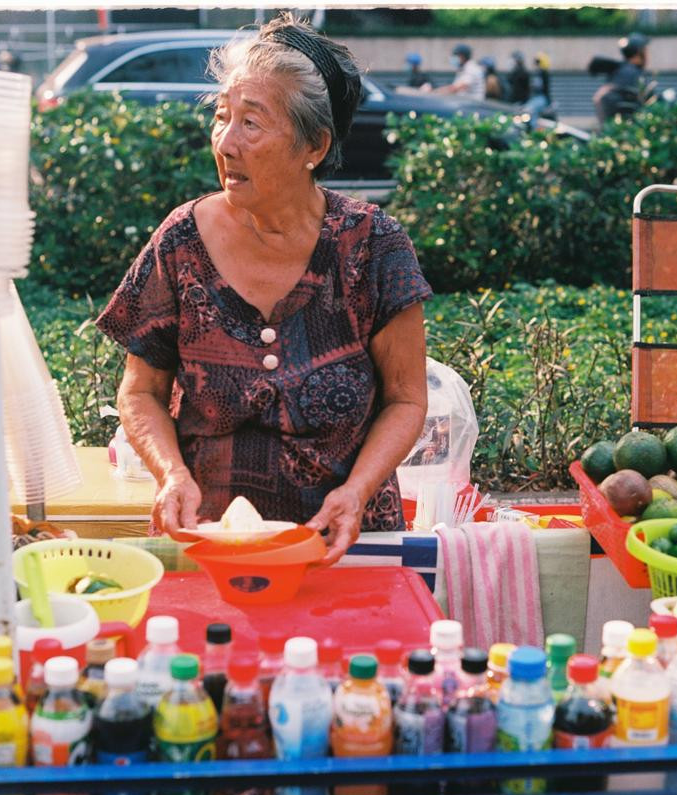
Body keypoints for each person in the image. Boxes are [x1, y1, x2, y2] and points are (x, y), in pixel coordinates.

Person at [96, 14, 431, 568]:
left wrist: (357, 491)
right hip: (214, 545)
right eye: (222, 117)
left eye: (251, 123)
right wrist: (171, 473)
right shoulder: (181, 241)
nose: (226, 142)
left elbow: (406, 399)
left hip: (345, 546)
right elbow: (140, 393)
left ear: (314, 147)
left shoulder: (374, 246)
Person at [594, 32, 653, 125]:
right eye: (645, 50)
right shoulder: (631, 73)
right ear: (638, 53)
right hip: (627, 130)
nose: (648, 55)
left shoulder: (621, 70)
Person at [522, 52, 553, 118]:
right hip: (535, 98)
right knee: (525, 109)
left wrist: (549, 102)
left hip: (541, 98)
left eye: (537, 62)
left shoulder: (544, 74)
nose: (536, 65)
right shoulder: (538, 74)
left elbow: (546, 89)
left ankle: (533, 127)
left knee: (531, 111)